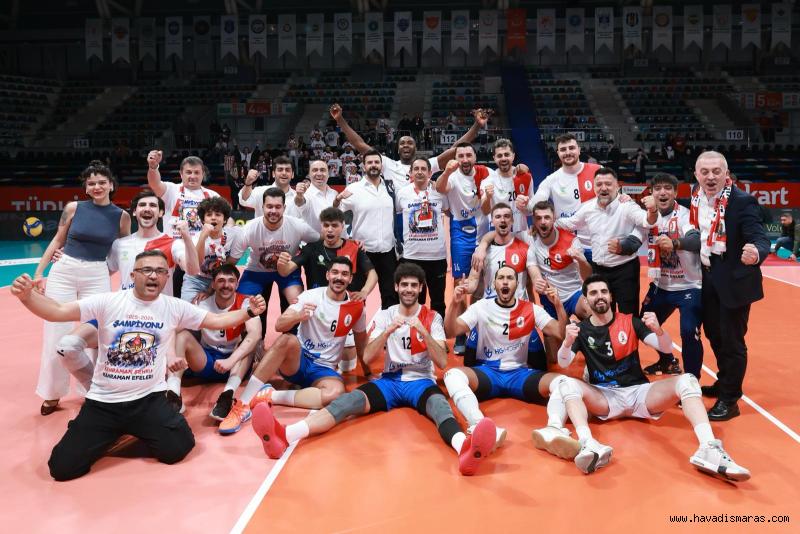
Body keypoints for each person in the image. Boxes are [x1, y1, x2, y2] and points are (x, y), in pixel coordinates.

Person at [11, 250, 266, 481]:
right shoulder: (108, 302)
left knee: (178, 448)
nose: (153, 275)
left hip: (148, 400)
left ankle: (128, 430)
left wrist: (248, 312)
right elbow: (57, 310)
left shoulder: (173, 307)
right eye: (146, 270)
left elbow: (216, 320)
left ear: (166, 277)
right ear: (133, 275)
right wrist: (26, 297)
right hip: (104, 403)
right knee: (62, 468)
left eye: (160, 271)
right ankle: (112, 431)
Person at [249, 263, 497, 476]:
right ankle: (285, 435)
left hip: (421, 381)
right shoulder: (386, 315)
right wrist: (387, 331)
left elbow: (442, 362)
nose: (409, 289)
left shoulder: (432, 318)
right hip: (389, 382)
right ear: (396, 287)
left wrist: (423, 332)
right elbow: (367, 357)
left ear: (421, 288)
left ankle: (464, 449)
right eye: (404, 285)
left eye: (414, 285)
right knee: (346, 403)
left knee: (440, 408)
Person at [535, 275, 750, 482]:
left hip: (639, 394)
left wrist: (658, 330)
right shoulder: (581, 330)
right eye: (593, 293)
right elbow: (563, 362)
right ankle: (587, 443)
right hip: (605, 397)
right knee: (565, 382)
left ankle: (709, 448)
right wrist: (567, 342)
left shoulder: (630, 321)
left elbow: (665, 347)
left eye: (603, 292)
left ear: (610, 296)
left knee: (688, 380)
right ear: (585, 300)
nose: (599, 296)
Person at [218, 257, 368, 434]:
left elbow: (361, 340)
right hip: (298, 361)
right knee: (287, 340)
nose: (339, 277)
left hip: (324, 369)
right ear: (328, 275)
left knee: (336, 394)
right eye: (335, 272)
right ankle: (242, 405)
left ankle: (269, 395)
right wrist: (298, 316)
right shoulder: (310, 296)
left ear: (350, 278)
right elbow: (279, 325)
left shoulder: (356, 307)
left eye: (344, 274)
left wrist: (368, 370)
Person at [33, 160, 131, 415]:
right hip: (64, 271)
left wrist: (115, 276)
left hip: (97, 274)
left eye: (102, 182)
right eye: (91, 183)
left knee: (97, 335)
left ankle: (94, 390)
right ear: (86, 188)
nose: (97, 187)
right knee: (56, 331)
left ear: (111, 185)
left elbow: (123, 252)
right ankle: (52, 393)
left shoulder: (122, 217)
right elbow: (57, 240)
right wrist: (39, 273)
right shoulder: (73, 208)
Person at [443, 265, 568, 452]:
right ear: (494, 283)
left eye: (510, 278)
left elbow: (561, 333)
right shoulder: (481, 307)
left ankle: (554, 429)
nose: (505, 282)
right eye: (501, 278)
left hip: (520, 375)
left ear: (517, 284)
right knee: (452, 375)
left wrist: (558, 305)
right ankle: (478, 425)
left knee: (564, 382)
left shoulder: (531, 309)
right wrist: (454, 303)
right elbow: (450, 331)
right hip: (489, 373)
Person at [691, 151, 770, 421]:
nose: (711, 177)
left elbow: (759, 237)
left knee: (732, 341)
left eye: (716, 171)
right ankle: (725, 382)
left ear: (726, 173)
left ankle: (730, 399)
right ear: (696, 175)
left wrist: (756, 252)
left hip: (734, 281)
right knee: (714, 334)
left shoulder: (742, 201)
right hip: (707, 277)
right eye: (705, 172)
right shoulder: (695, 198)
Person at [277, 207, 377, 374]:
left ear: (342, 227)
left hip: (346, 311)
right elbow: (285, 271)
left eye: (334, 225)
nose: (330, 229)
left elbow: (372, 274)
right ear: (321, 227)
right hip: (319, 312)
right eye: (326, 225)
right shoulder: (311, 248)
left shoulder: (354, 247)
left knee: (348, 366)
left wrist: (365, 292)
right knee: (318, 360)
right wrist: (281, 263)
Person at [556, 167, 657, 315]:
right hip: (599, 271)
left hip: (625, 270)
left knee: (628, 317)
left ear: (617, 186)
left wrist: (653, 210)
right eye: (599, 184)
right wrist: (545, 222)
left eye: (608, 184)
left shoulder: (627, 206)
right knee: (602, 315)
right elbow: (570, 223)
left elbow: (647, 221)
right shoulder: (588, 208)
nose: (603, 188)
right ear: (594, 187)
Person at [166, 264, 261, 421]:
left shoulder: (246, 303)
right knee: (182, 335)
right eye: (221, 280)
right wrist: (169, 356)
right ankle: (173, 393)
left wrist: (230, 361)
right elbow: (172, 328)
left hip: (234, 365)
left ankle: (227, 395)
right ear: (213, 284)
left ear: (237, 284)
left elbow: (255, 334)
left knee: (252, 341)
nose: (226, 285)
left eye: (231, 281)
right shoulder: (201, 303)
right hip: (206, 361)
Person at [462, 204, 548, 367]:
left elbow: (535, 275)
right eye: (498, 217)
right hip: (489, 314)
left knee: (541, 366)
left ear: (512, 221)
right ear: (492, 221)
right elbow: (472, 283)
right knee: (469, 365)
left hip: (519, 315)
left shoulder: (525, 248)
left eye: (507, 216)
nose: (503, 220)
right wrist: (465, 287)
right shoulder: (482, 252)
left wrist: (540, 283)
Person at [640, 173, 702, 378]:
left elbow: (696, 241)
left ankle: (692, 380)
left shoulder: (686, 215)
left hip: (689, 287)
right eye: (657, 188)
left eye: (668, 188)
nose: (662, 192)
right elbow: (633, 238)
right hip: (661, 286)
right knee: (642, 326)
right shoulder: (647, 217)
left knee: (688, 332)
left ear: (675, 192)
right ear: (651, 193)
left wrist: (675, 243)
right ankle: (667, 361)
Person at [227, 187, 319, 310]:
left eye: (278, 207)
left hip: (288, 271)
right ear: (262, 207)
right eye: (269, 206)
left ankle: (291, 324)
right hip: (256, 271)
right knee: (241, 306)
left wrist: (301, 258)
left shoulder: (297, 225)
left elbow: (320, 241)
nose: (273, 211)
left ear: (284, 208)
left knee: (300, 306)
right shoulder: (249, 229)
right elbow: (232, 262)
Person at [146, 150, 220, 298]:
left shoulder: (212, 196)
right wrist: (153, 167)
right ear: (181, 174)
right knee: (168, 292)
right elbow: (155, 184)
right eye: (188, 172)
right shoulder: (171, 190)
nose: (192, 176)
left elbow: (225, 218)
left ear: (203, 174)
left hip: (200, 249)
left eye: (197, 172)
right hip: (173, 247)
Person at [518, 134, 602, 261]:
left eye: (571, 148)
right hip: (569, 246)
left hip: (599, 243)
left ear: (579, 150)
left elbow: (613, 196)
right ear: (558, 153)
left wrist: (623, 198)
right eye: (563, 149)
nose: (568, 152)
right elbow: (533, 206)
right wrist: (524, 205)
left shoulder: (598, 171)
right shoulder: (551, 180)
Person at [333, 150, 398, 309]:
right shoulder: (354, 189)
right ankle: (354, 325)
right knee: (356, 296)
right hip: (362, 252)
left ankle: (389, 325)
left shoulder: (390, 188)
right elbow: (336, 214)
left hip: (387, 250)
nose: (373, 165)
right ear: (363, 166)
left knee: (390, 295)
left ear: (381, 165)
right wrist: (337, 200)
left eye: (376, 162)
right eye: (370, 162)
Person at [395, 158, 449, 318]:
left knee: (438, 301)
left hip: (437, 257)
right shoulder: (402, 193)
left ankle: (438, 331)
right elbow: (397, 216)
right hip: (412, 257)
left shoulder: (440, 192)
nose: (419, 172)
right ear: (410, 173)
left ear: (430, 173)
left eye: (423, 169)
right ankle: (413, 330)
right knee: (414, 300)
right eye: (416, 169)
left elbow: (447, 210)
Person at [182, 197, 241, 303]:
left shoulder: (234, 234)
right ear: (203, 220)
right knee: (187, 307)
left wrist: (211, 289)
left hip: (221, 279)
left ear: (225, 219)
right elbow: (196, 264)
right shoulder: (194, 238)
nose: (213, 218)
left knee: (223, 309)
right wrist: (203, 237)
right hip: (195, 279)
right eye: (209, 215)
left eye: (218, 214)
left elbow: (230, 264)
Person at [480, 138, 533, 235]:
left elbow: (530, 211)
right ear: (494, 158)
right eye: (499, 156)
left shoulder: (524, 177)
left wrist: (524, 206)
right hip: (498, 234)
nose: (503, 158)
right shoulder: (488, 181)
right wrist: (488, 197)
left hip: (520, 233)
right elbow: (485, 211)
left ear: (513, 156)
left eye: (507, 154)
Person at [238, 156, 304, 219]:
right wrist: (248, 183)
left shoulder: (299, 197)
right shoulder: (260, 191)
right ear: (273, 174)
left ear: (292, 175)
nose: (284, 173)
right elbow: (244, 201)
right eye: (280, 170)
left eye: (287, 170)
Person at [293, 159, 339, 233]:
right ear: (309, 175)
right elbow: (299, 202)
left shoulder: (334, 193)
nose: (319, 173)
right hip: (312, 240)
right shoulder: (305, 194)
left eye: (322, 170)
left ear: (328, 174)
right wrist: (299, 196)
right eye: (315, 170)